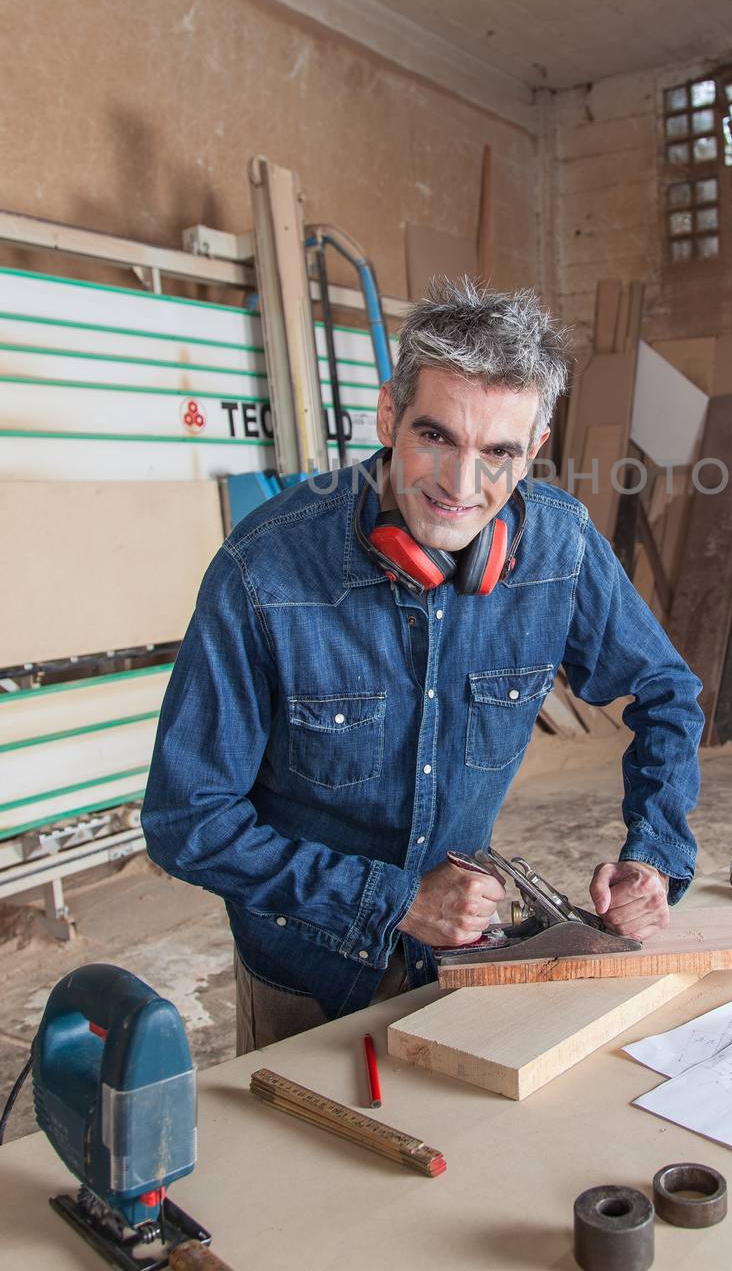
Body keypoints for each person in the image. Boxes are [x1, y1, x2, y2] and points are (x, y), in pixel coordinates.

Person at [142, 278, 703, 1053]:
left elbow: (664, 690)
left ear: (534, 448)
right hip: (304, 967)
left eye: (499, 453)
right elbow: (187, 821)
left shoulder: (559, 549)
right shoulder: (263, 571)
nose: (461, 488)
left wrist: (653, 854)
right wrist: (392, 900)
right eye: (436, 437)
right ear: (387, 416)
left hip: (462, 961)